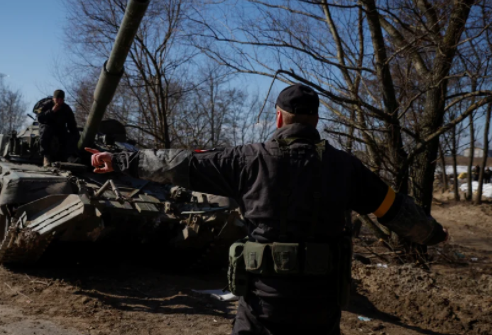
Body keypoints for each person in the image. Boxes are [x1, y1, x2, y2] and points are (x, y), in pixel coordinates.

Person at [86, 84, 448, 335]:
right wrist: (432, 235)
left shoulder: (246, 161)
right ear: (315, 121)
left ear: (279, 118)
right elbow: (394, 208)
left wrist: (117, 160)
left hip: (263, 303)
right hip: (321, 304)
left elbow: (177, 164)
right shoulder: (346, 168)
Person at [36, 89, 80, 166]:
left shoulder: (66, 108)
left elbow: (71, 124)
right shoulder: (46, 105)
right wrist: (52, 111)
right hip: (47, 126)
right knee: (45, 132)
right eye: (57, 99)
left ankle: (68, 156)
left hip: (60, 128)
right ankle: (46, 156)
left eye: (61, 99)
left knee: (69, 136)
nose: (59, 101)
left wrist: (76, 135)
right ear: (53, 98)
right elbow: (40, 118)